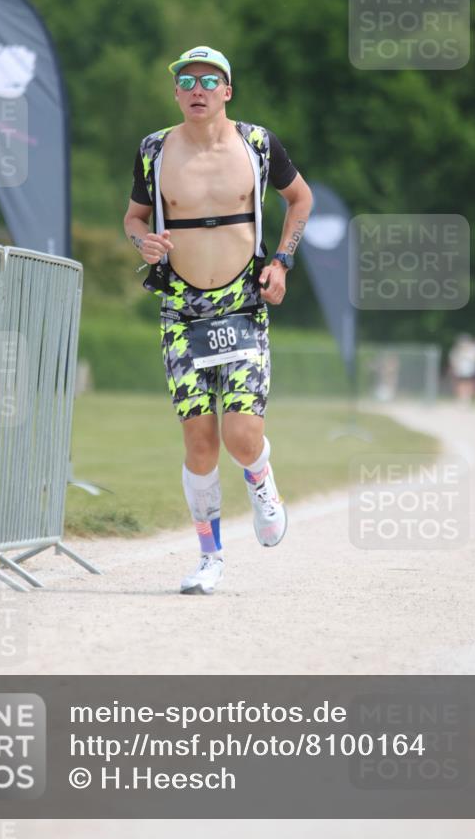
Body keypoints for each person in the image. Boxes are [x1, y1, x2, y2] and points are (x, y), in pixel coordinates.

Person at [123, 46, 313, 595]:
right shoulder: (154, 150)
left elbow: (300, 200)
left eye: (210, 80)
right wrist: (145, 241)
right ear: (177, 91)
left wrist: (282, 261)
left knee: (241, 436)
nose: (198, 89)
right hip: (182, 311)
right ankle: (210, 558)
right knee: (200, 443)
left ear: (228, 90)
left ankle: (261, 480)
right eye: (188, 80)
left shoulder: (258, 145)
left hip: (243, 305)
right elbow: (134, 217)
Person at [448, 334, 475, 404]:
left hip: (469, 371)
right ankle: (461, 398)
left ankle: (467, 398)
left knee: (468, 384)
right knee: (460, 384)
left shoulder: (472, 350)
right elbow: (453, 360)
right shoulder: (456, 350)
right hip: (459, 371)